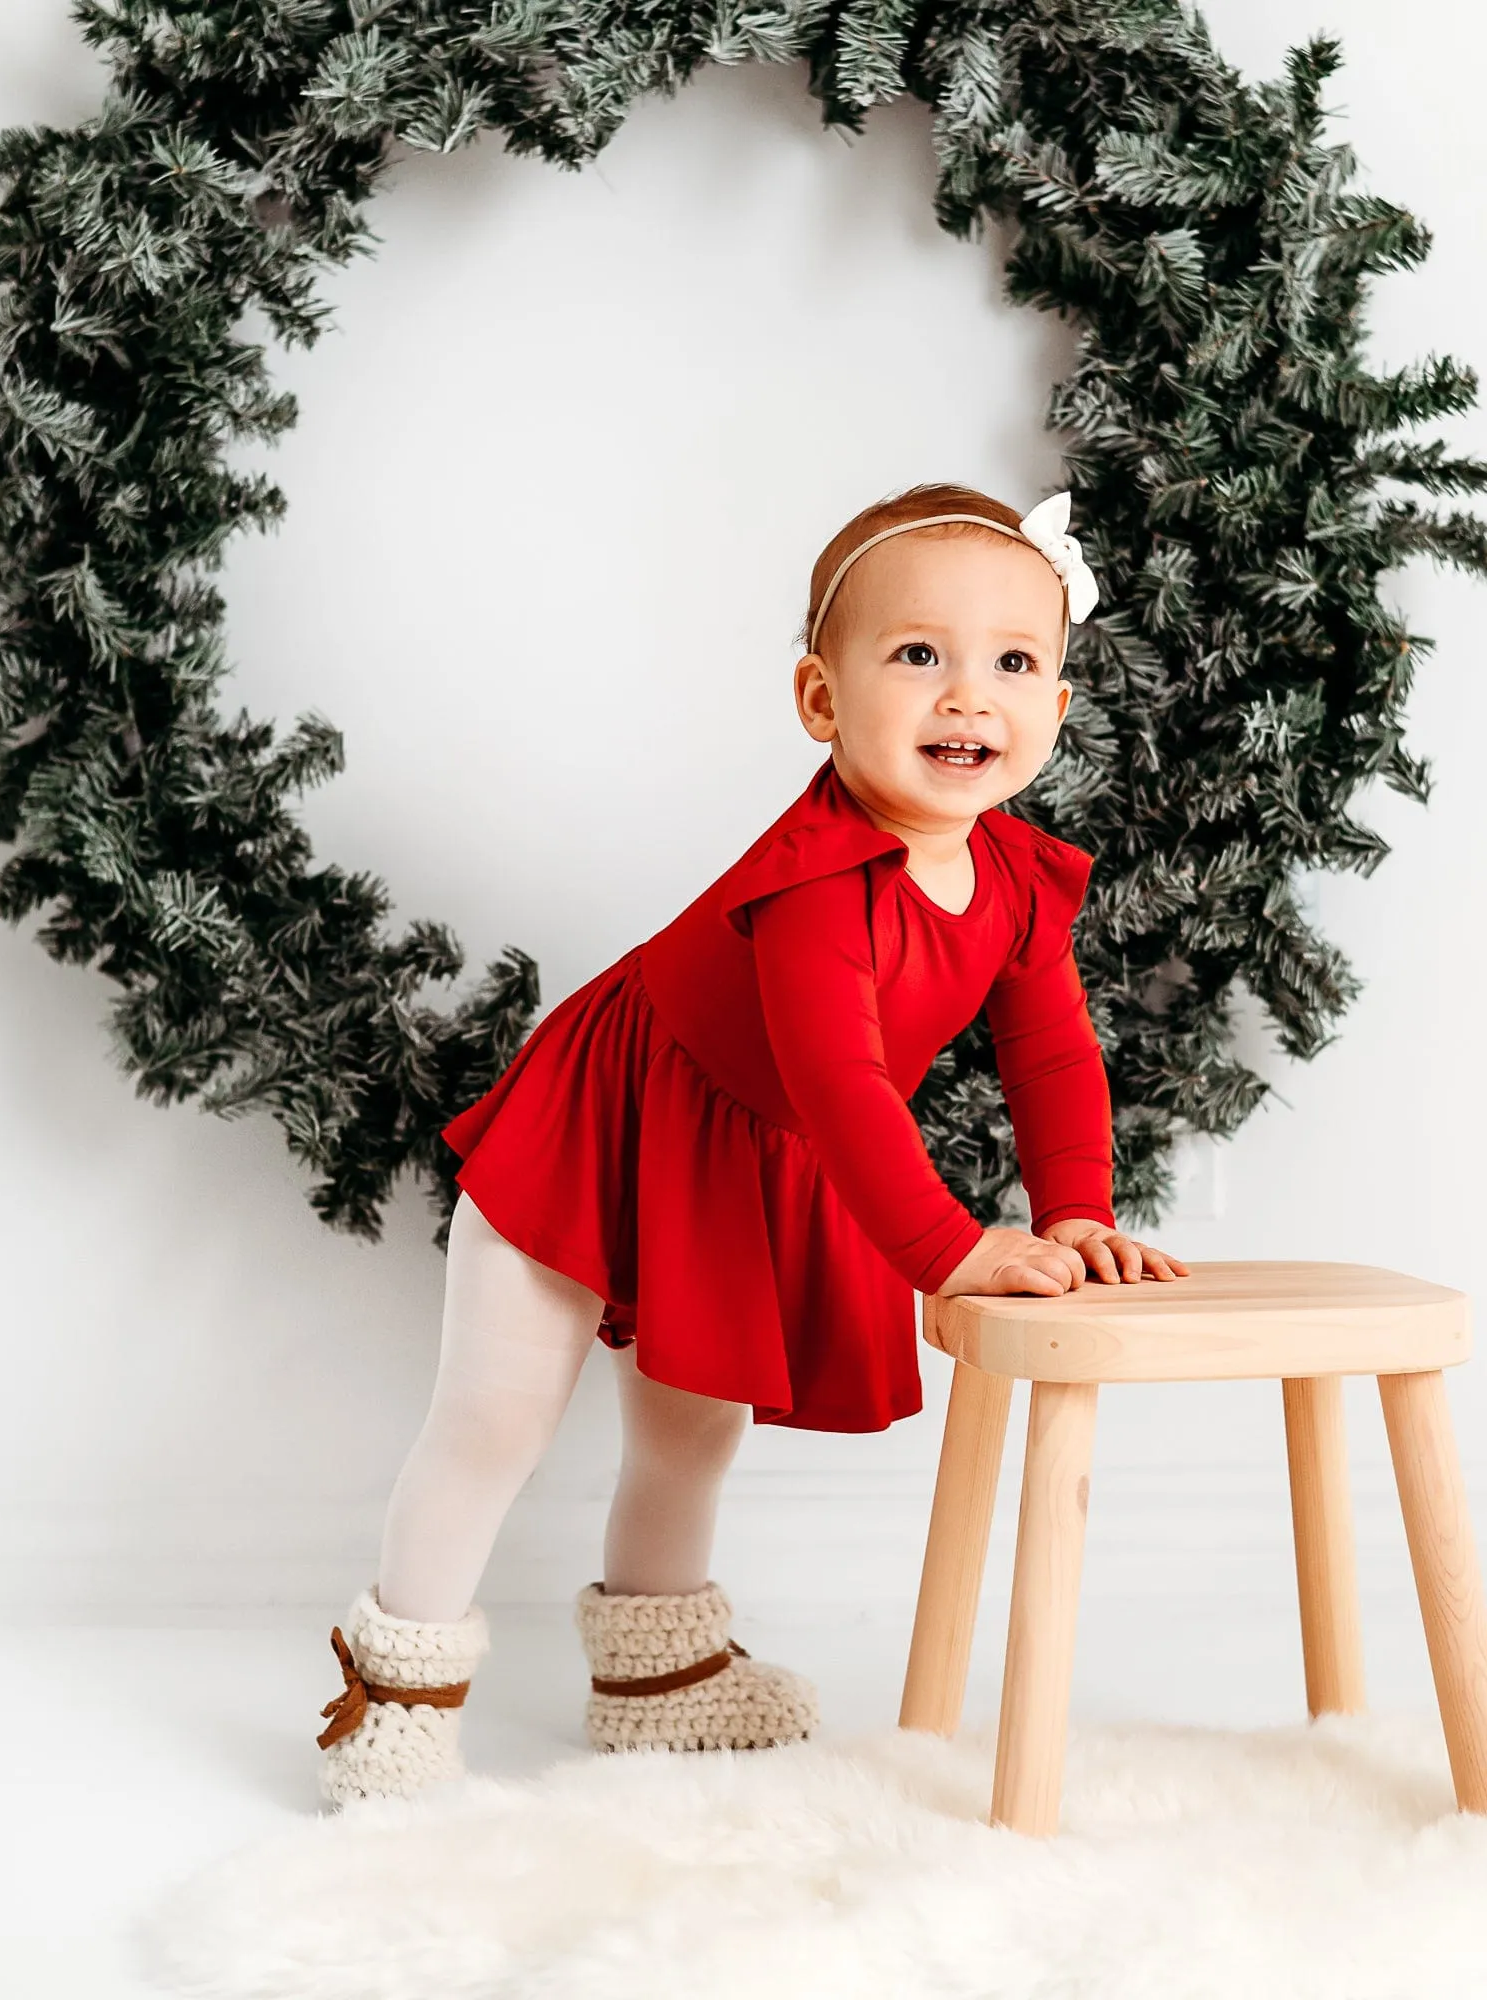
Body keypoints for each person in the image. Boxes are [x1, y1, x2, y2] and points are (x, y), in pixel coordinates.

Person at [314, 482, 1190, 1805]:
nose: (969, 696)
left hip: (738, 1152)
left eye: (1013, 663)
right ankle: (397, 1699)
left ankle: (657, 1679)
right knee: (496, 1416)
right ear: (821, 702)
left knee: (691, 1432)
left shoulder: (1015, 875)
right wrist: (946, 1253)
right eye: (919, 656)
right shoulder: (816, 887)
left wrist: (1074, 1208)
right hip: (608, 1116)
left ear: (1057, 710)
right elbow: (840, 1084)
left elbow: (1053, 1051)